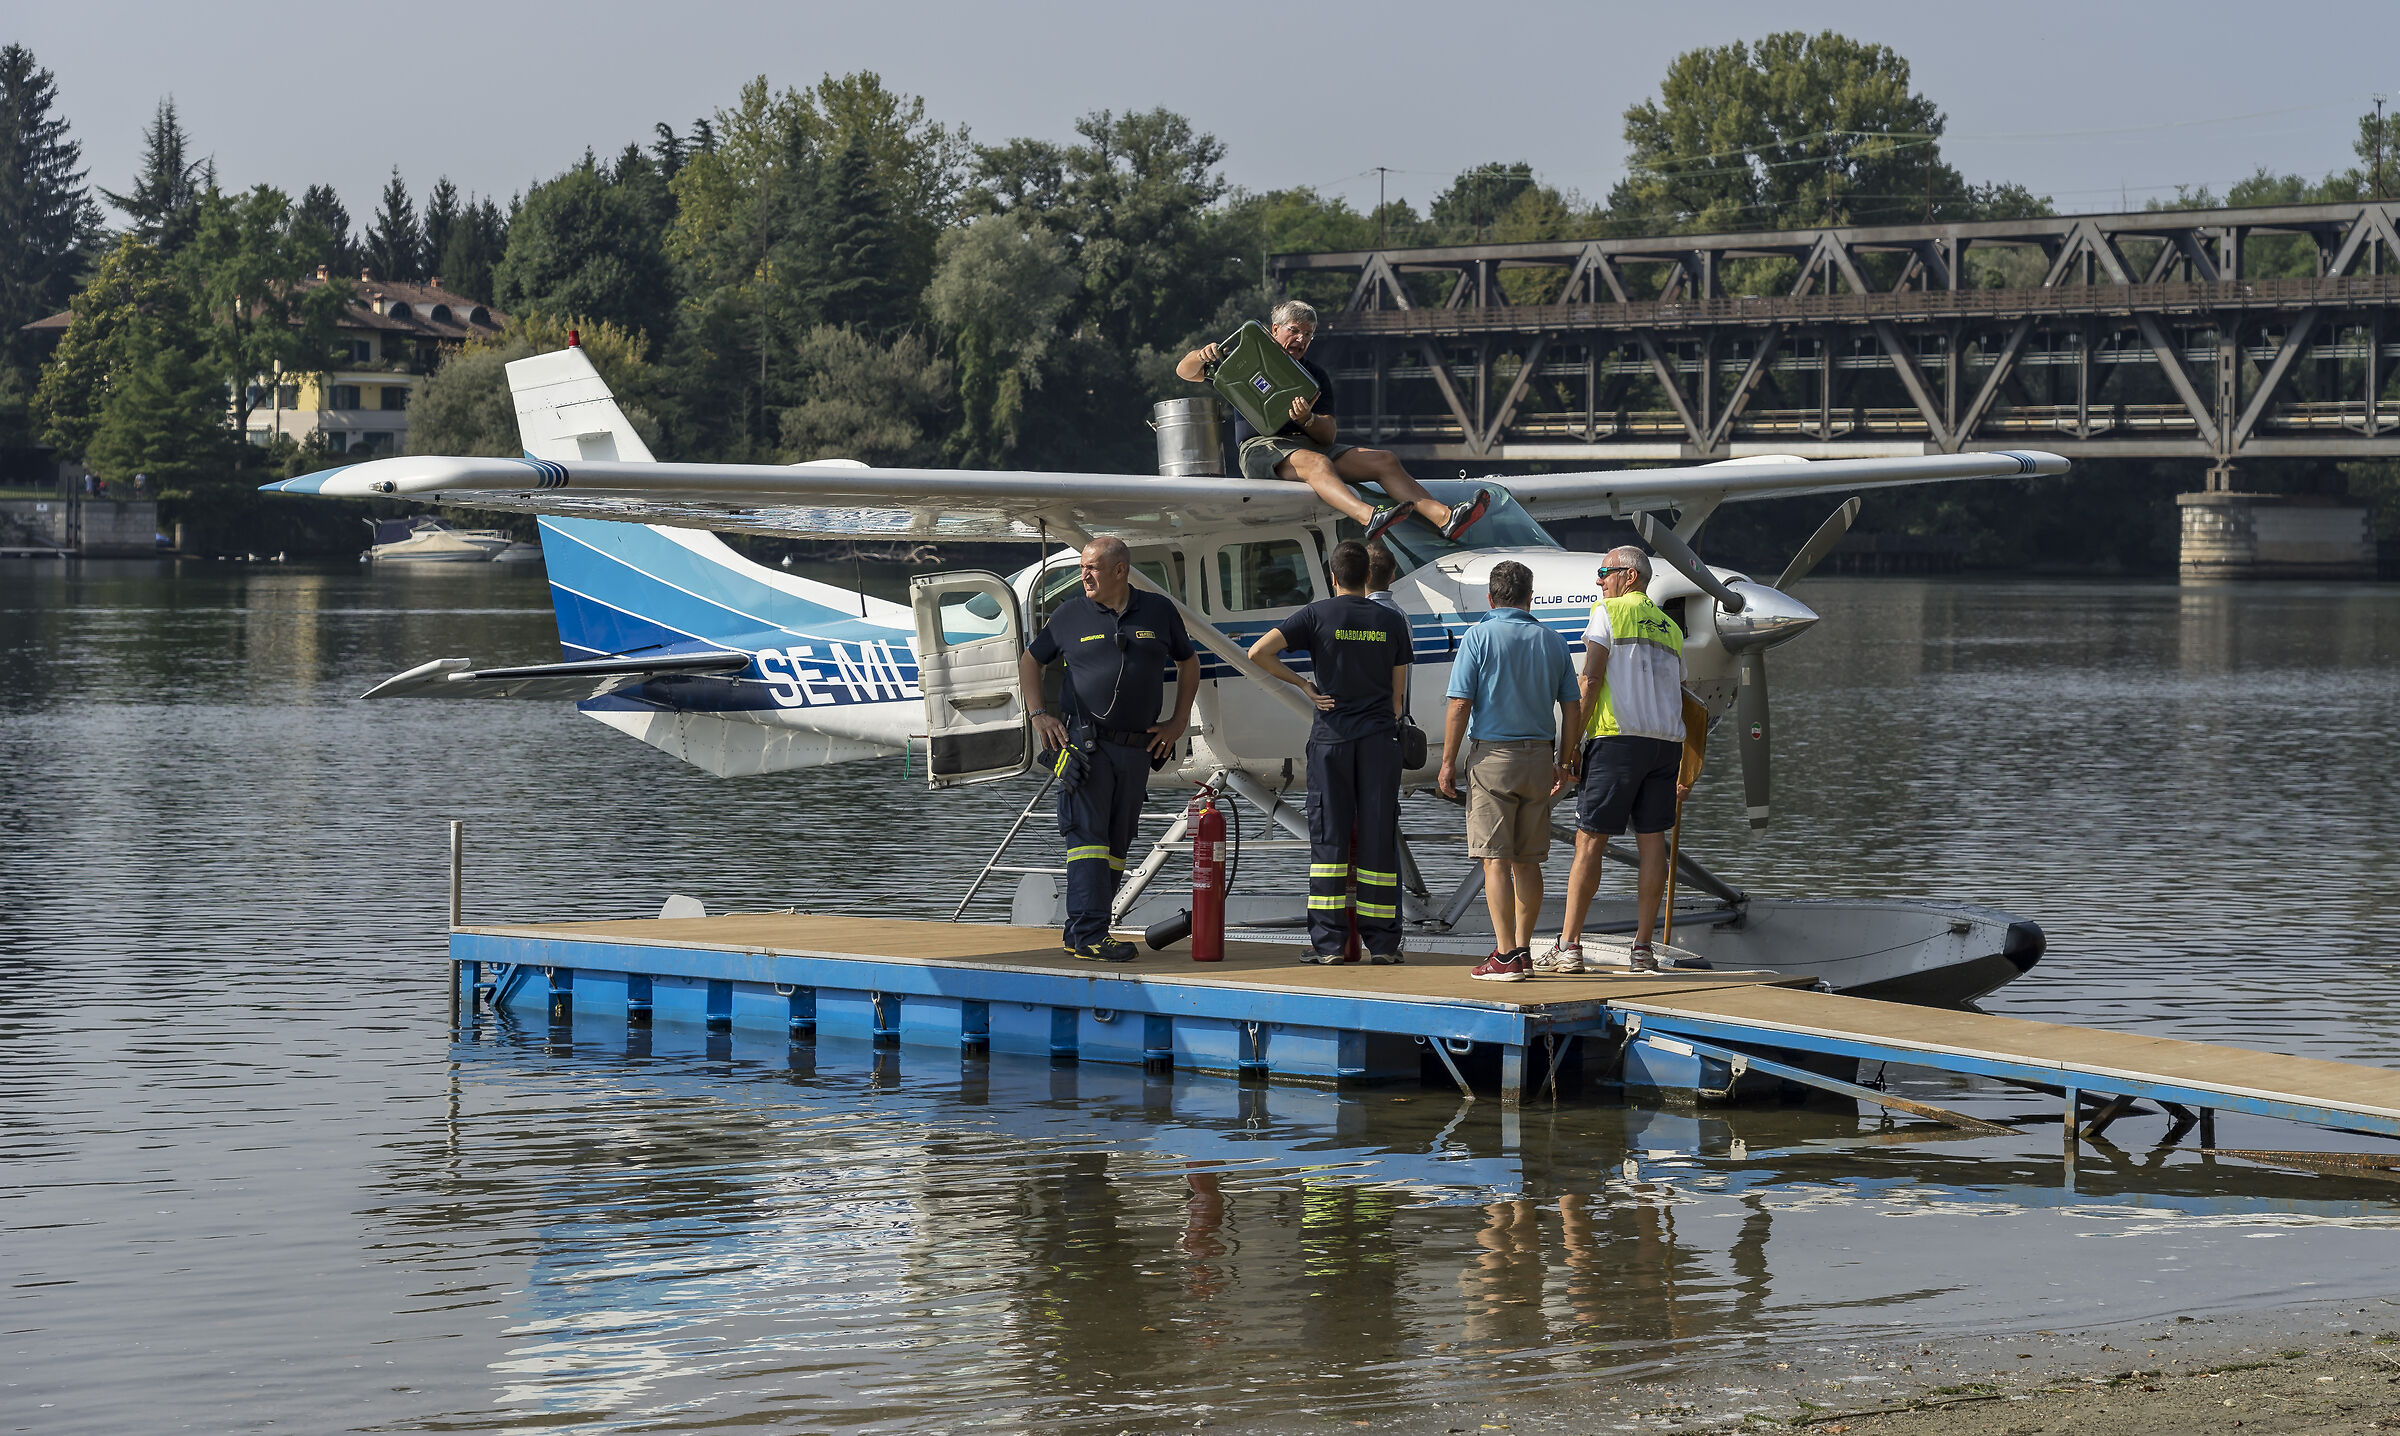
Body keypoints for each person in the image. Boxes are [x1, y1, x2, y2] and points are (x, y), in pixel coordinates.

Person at [1019, 536, 1201, 962]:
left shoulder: (1158, 611)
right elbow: (1031, 661)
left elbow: (1188, 662)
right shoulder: (1069, 614)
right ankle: (1091, 935)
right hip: (1085, 749)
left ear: (1120, 570)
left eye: (1092, 568)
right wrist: (1039, 714)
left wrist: (1178, 722)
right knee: (1088, 842)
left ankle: (1080, 928)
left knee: (1117, 844)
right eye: (1082, 567)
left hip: (1136, 751)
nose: (1083, 576)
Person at [1176, 300, 1489, 544]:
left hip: (1309, 446)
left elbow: (1328, 434)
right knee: (1318, 465)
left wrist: (1308, 419)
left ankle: (1445, 518)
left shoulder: (1315, 376)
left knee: (1384, 459)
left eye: (1309, 334)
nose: (1302, 339)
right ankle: (1369, 518)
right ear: (1275, 329)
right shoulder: (1242, 357)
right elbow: (1185, 371)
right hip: (1261, 448)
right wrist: (1200, 355)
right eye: (1295, 330)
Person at [1246, 539, 1413, 963]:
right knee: (1378, 838)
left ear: (1333, 577)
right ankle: (1384, 945)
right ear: (1368, 577)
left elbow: (1258, 653)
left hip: (1332, 741)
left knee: (1329, 841)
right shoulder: (1390, 620)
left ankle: (1329, 946)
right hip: (1378, 741)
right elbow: (1398, 697)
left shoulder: (1316, 614)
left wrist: (1305, 685)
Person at [1437, 560, 1581, 982]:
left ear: (1491, 598)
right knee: (1528, 861)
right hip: (1539, 758)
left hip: (1492, 760)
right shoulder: (1552, 640)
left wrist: (1447, 762)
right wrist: (1566, 760)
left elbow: (1460, 703)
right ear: (1529, 597)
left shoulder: (1478, 637)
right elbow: (1571, 706)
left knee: (1493, 860)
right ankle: (1522, 949)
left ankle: (1503, 956)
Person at [1555, 546, 1689, 972]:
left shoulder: (1608, 612)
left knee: (1590, 840)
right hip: (1665, 744)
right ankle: (1643, 949)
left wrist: (1571, 742)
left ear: (1628, 576)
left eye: (1604, 573)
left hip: (1617, 739)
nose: (1599, 582)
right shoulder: (1671, 627)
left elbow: (1590, 678)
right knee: (1653, 845)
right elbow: (1679, 691)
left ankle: (1569, 946)